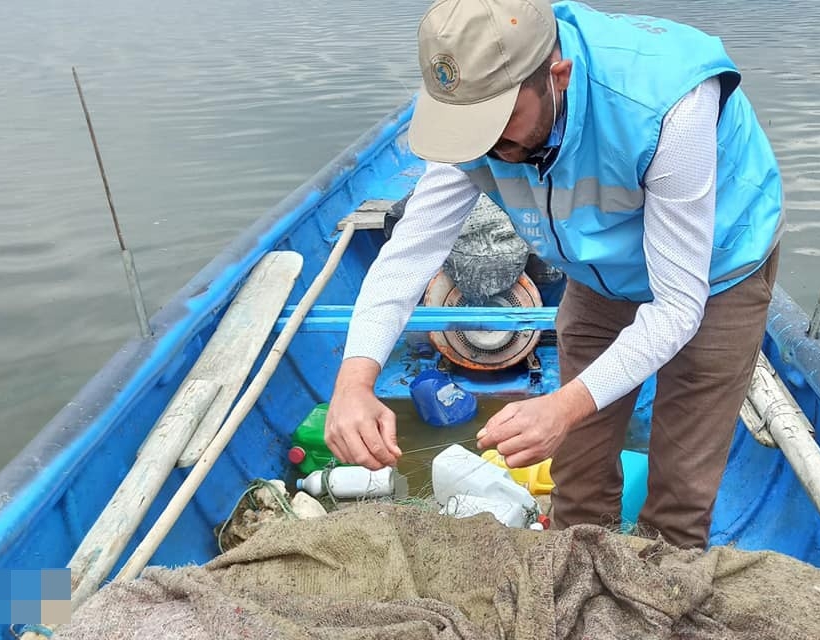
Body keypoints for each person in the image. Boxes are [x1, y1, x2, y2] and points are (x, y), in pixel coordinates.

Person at [324, 0, 784, 550]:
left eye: (500, 132)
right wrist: (353, 384)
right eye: (471, 135)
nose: (490, 155)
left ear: (556, 76)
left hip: (714, 275)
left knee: (681, 492)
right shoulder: (473, 124)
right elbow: (407, 258)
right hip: (594, 274)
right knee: (579, 478)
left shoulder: (666, 106)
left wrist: (564, 404)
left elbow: (678, 307)